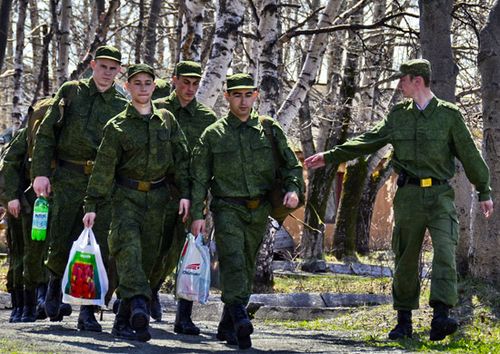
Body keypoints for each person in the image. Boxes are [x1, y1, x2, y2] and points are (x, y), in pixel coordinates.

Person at [304, 58, 494, 341]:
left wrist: (484, 190)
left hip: (440, 196)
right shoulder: (398, 116)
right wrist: (330, 156)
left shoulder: (449, 115)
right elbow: (369, 140)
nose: (399, 85)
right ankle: (403, 321)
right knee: (405, 258)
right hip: (408, 198)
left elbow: (469, 153)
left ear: (417, 80)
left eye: (402, 79)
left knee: (445, 251)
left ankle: (441, 316)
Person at [190, 73, 304, 349]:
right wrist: (197, 214)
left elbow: (292, 165)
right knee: (233, 261)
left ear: (256, 96)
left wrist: (293, 189)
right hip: (227, 207)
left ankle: (227, 323)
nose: (243, 101)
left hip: (259, 209)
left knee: (247, 264)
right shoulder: (214, 135)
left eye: (248, 94)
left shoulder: (269, 129)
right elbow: (199, 179)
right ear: (226, 97)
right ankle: (240, 317)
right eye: (236, 95)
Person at [82, 63, 190, 342]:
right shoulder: (117, 126)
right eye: (136, 83)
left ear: (154, 87)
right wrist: (92, 205)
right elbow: (104, 168)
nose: (142, 88)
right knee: (128, 252)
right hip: (125, 199)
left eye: (147, 83)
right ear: (127, 87)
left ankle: (124, 320)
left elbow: (181, 160)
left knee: (150, 258)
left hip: (158, 200)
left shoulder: (166, 119)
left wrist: (186, 195)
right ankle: (140, 304)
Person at [31, 45, 128, 330]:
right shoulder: (71, 92)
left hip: (99, 184)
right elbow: (47, 134)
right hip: (67, 176)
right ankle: (53, 288)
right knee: (60, 237)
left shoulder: (121, 105)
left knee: (96, 246)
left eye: (113, 68)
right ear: (93, 65)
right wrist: (40, 173)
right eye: (103, 66)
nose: (107, 73)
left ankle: (87, 310)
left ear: (118, 71)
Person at [150, 60, 217, 333]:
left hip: (190, 193)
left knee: (188, 253)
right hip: (156, 189)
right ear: (174, 80)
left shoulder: (206, 118)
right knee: (152, 248)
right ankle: (144, 294)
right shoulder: (157, 110)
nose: (190, 89)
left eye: (195, 83)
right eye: (185, 82)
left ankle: (183, 316)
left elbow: (210, 160)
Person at [1, 126, 49, 323]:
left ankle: (40, 300)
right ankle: (22, 305)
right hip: (23, 204)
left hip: (46, 204)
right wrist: (11, 197)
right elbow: (9, 164)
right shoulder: (29, 132)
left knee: (42, 254)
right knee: (21, 255)